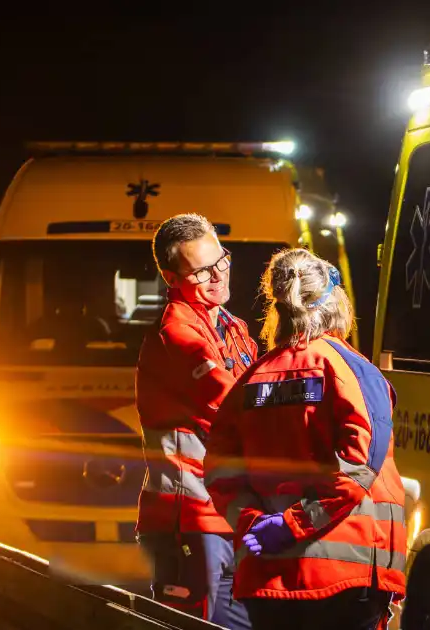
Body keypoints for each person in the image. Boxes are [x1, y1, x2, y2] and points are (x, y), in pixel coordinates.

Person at [205, 248, 407, 630]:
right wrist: (295, 523)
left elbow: (219, 470)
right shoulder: (351, 369)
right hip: (347, 576)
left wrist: (253, 524)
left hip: (268, 577)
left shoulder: (253, 378)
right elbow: (360, 464)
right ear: (337, 306)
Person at [135, 213, 257, 629]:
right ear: (171, 278)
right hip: (189, 516)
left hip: (231, 515)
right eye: (202, 271)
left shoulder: (234, 327)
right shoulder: (176, 333)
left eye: (221, 260)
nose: (218, 275)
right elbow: (231, 403)